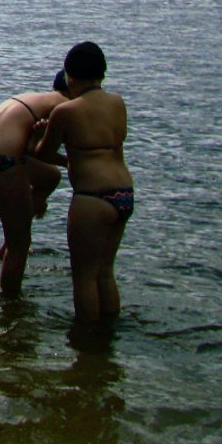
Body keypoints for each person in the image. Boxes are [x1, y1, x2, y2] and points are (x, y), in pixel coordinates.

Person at [34, 42, 134, 324]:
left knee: (83, 277)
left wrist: (43, 131)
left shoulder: (66, 112)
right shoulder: (117, 102)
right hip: (124, 193)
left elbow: (43, 152)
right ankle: (109, 337)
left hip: (92, 198)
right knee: (105, 271)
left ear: (70, 77)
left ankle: (87, 345)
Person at [0, 70, 71, 297]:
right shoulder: (64, 106)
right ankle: (11, 307)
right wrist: (70, 162)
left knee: (50, 177)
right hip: (1, 162)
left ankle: (9, 242)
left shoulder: (37, 98)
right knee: (21, 246)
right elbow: (40, 152)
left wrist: (38, 195)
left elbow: (26, 147)